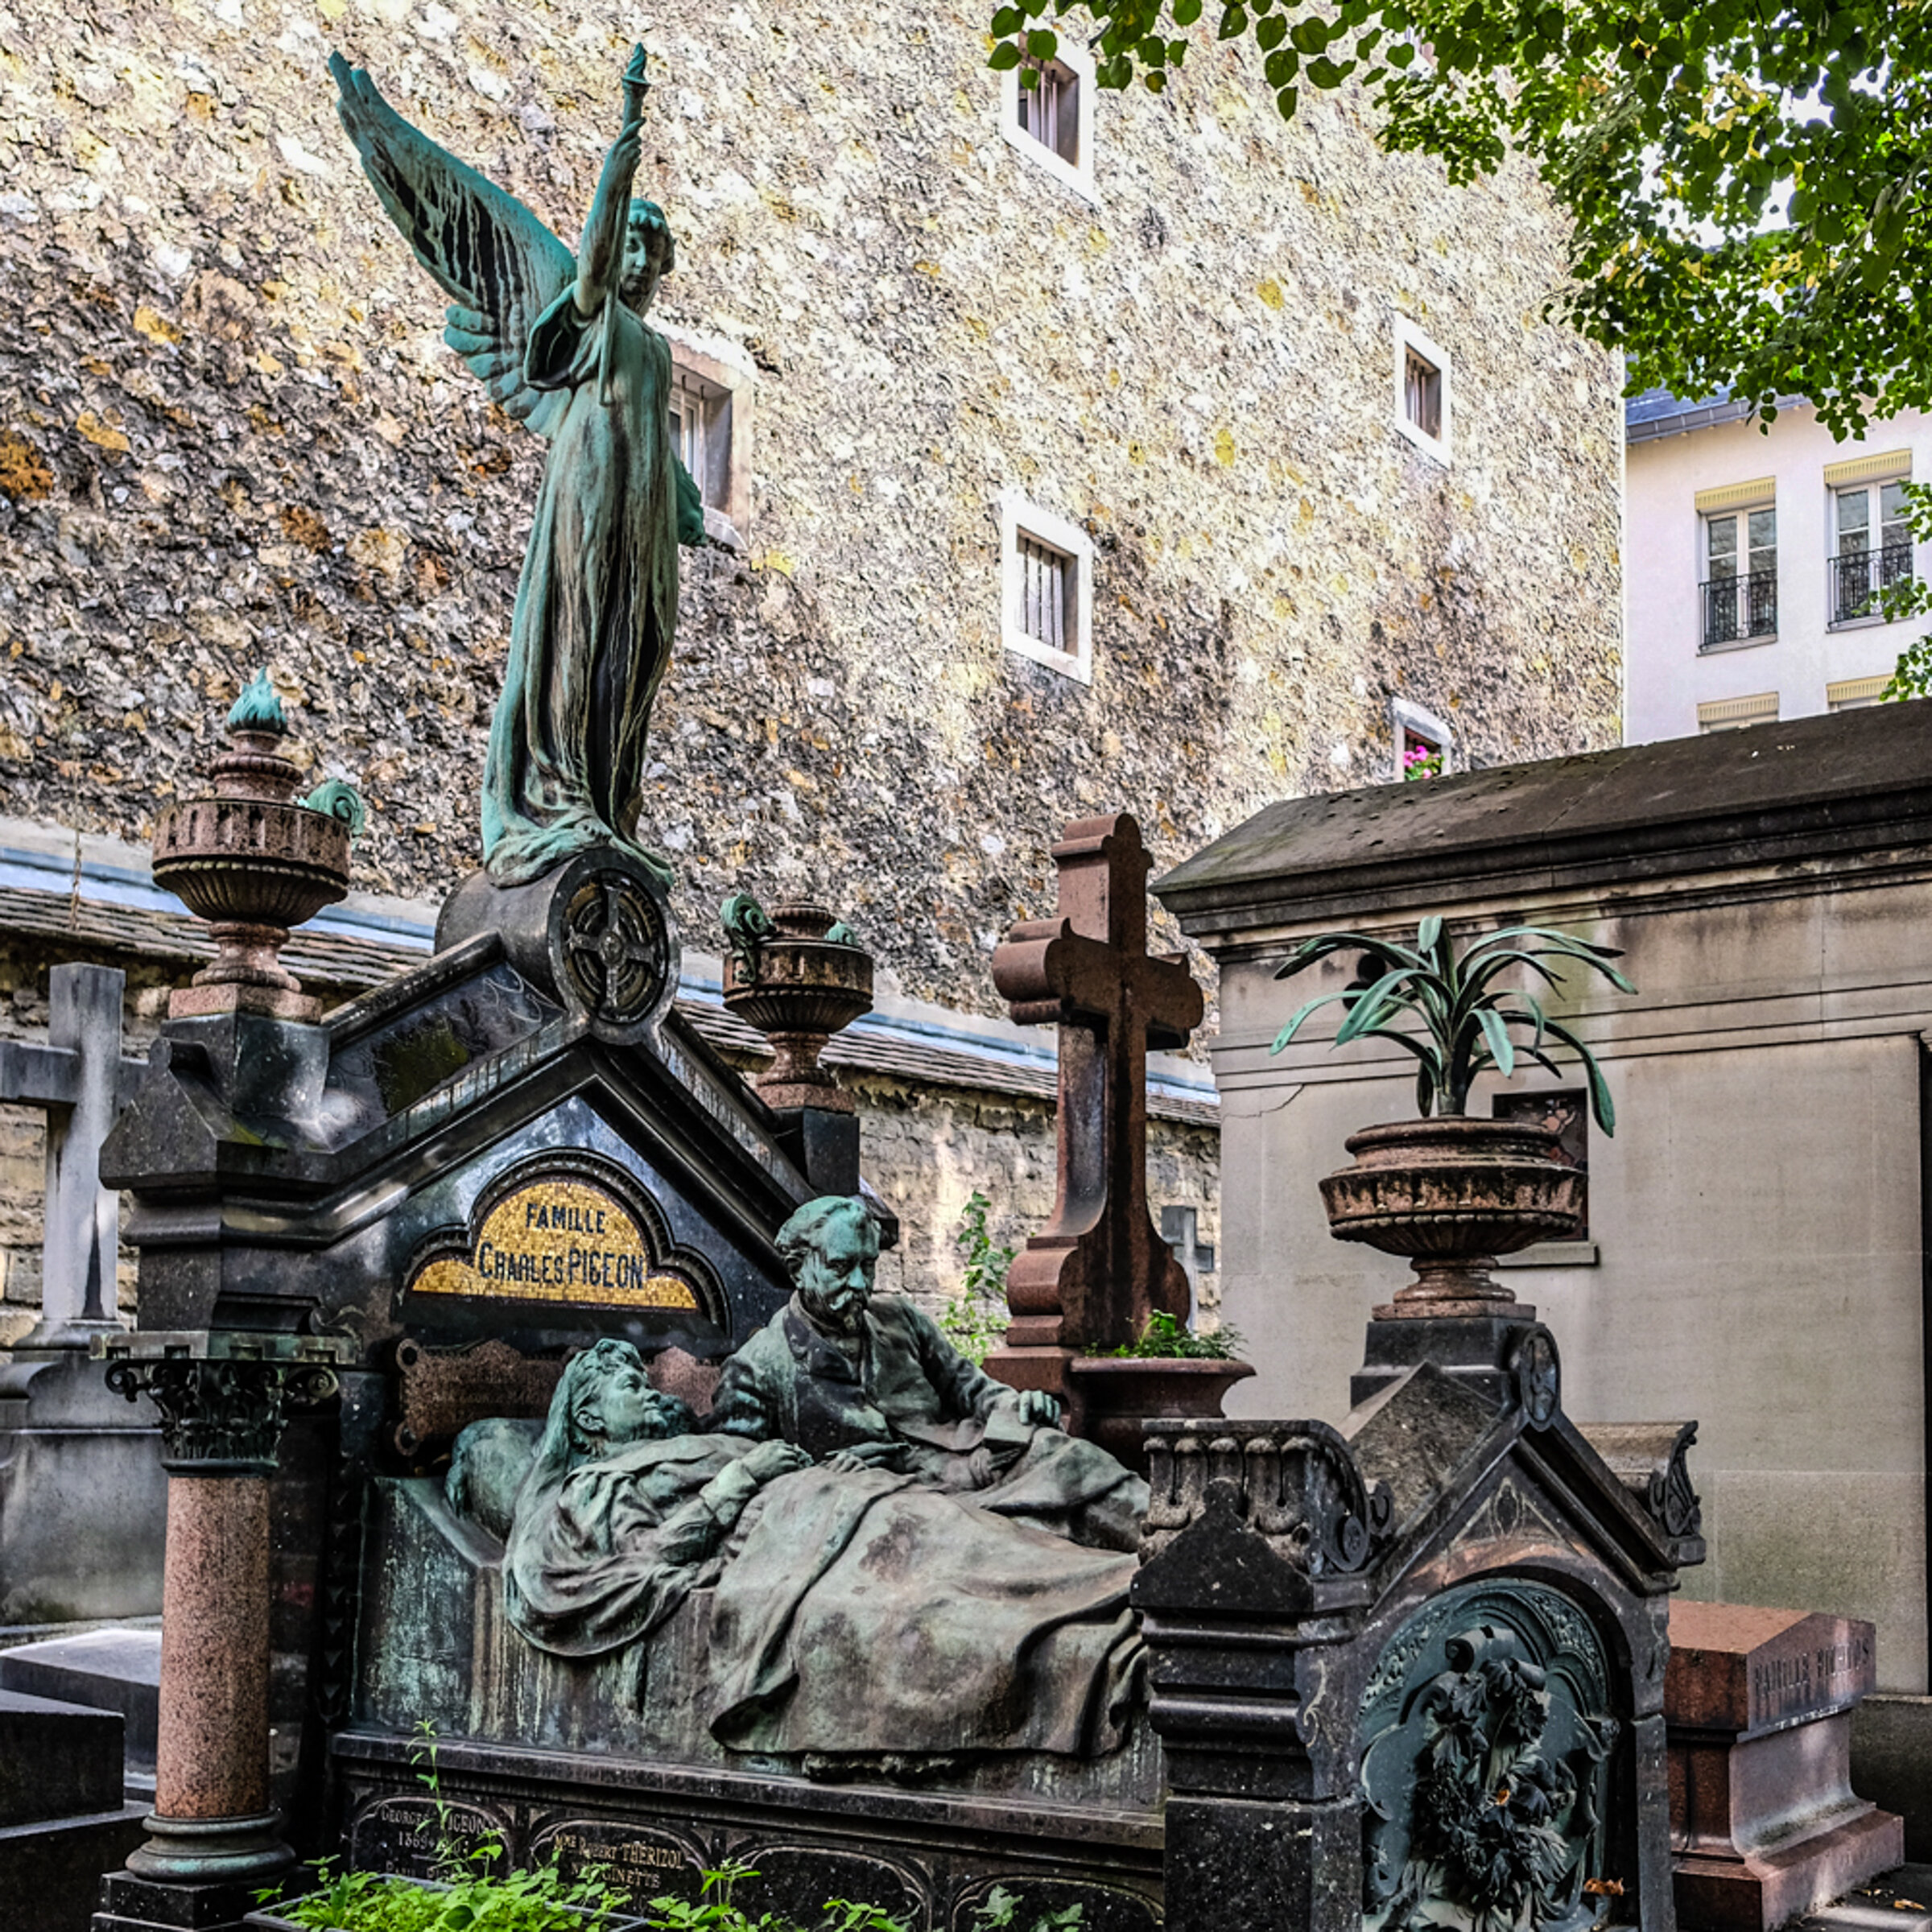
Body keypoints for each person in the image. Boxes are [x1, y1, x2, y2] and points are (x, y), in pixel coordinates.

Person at [499, 1337, 1144, 1764]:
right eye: (631, 1390)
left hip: (831, 1506)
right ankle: (1117, 1598)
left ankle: (1122, 1585)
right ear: (588, 1422)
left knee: (975, 1541)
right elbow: (647, 1563)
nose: (656, 1394)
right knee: (951, 1574)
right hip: (793, 1542)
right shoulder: (598, 1485)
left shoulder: (680, 1447)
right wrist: (741, 1480)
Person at [707, 1195, 1149, 1551]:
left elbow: (970, 1386)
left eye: (868, 1266)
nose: (860, 1284)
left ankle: (1172, 1537)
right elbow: (750, 1490)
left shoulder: (899, 1317)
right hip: (891, 1499)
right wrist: (827, 1477)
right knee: (1006, 1539)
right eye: (842, 1268)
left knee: (1063, 1455)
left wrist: (1018, 1404)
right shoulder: (756, 1369)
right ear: (797, 1270)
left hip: (970, 1460)